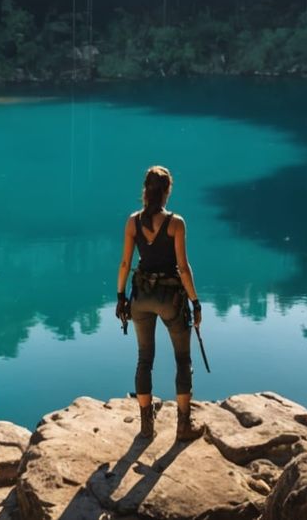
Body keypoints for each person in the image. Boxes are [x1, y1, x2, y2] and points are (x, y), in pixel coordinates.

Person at [115, 165, 204, 440]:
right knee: (183, 359)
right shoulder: (176, 223)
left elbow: (125, 263)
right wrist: (195, 302)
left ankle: (146, 427)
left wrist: (120, 297)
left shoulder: (133, 222)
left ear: (145, 190)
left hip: (141, 298)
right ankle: (184, 427)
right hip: (170, 300)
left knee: (144, 359)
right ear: (167, 191)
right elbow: (183, 268)